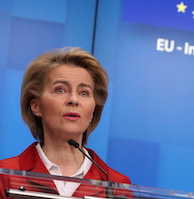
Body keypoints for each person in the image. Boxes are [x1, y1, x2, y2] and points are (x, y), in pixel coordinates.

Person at [0, 47, 130, 198]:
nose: (74, 100)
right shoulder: (5, 175)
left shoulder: (115, 185)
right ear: (36, 106)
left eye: (84, 93)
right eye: (60, 90)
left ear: (93, 110)